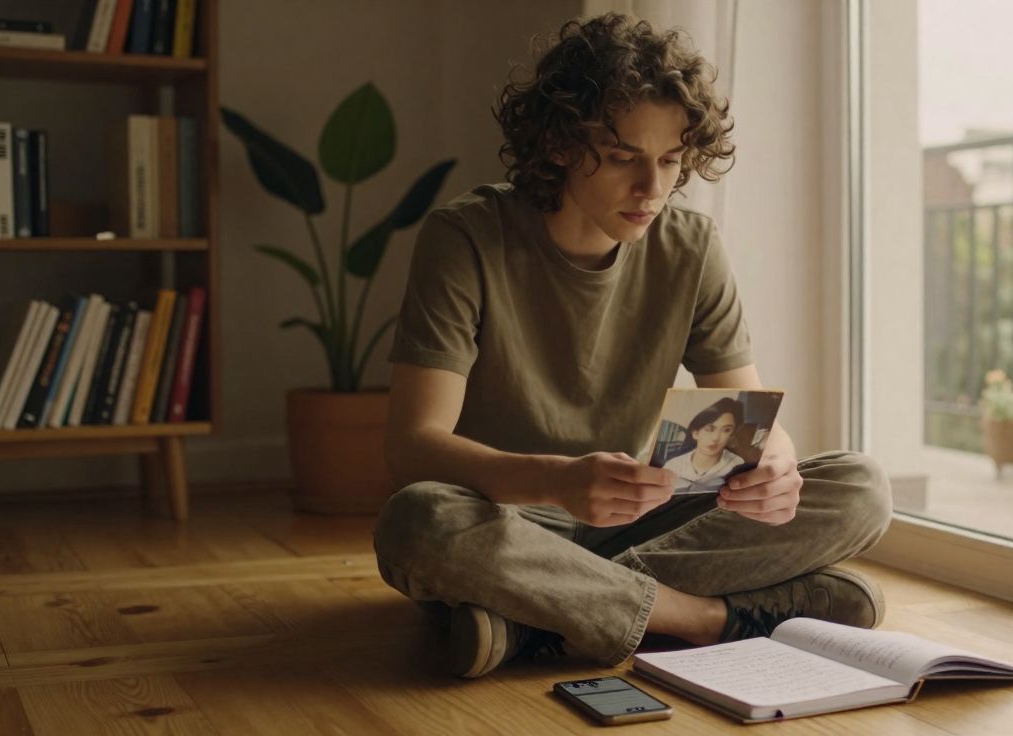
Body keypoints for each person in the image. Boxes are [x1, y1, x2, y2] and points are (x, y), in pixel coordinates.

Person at [372, 12, 892, 679]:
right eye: (623, 160)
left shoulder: (691, 246)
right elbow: (411, 447)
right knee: (416, 521)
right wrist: (557, 481)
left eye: (671, 161)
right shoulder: (467, 237)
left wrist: (774, 471)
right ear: (560, 143)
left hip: (649, 510)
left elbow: (747, 417)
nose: (653, 189)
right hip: (513, 518)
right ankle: (709, 620)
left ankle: (536, 620)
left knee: (862, 487)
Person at [661, 398, 747, 494]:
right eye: (709, 429)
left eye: (726, 430)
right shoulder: (673, 466)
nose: (716, 437)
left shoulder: (736, 464)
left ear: (732, 435)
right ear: (696, 433)